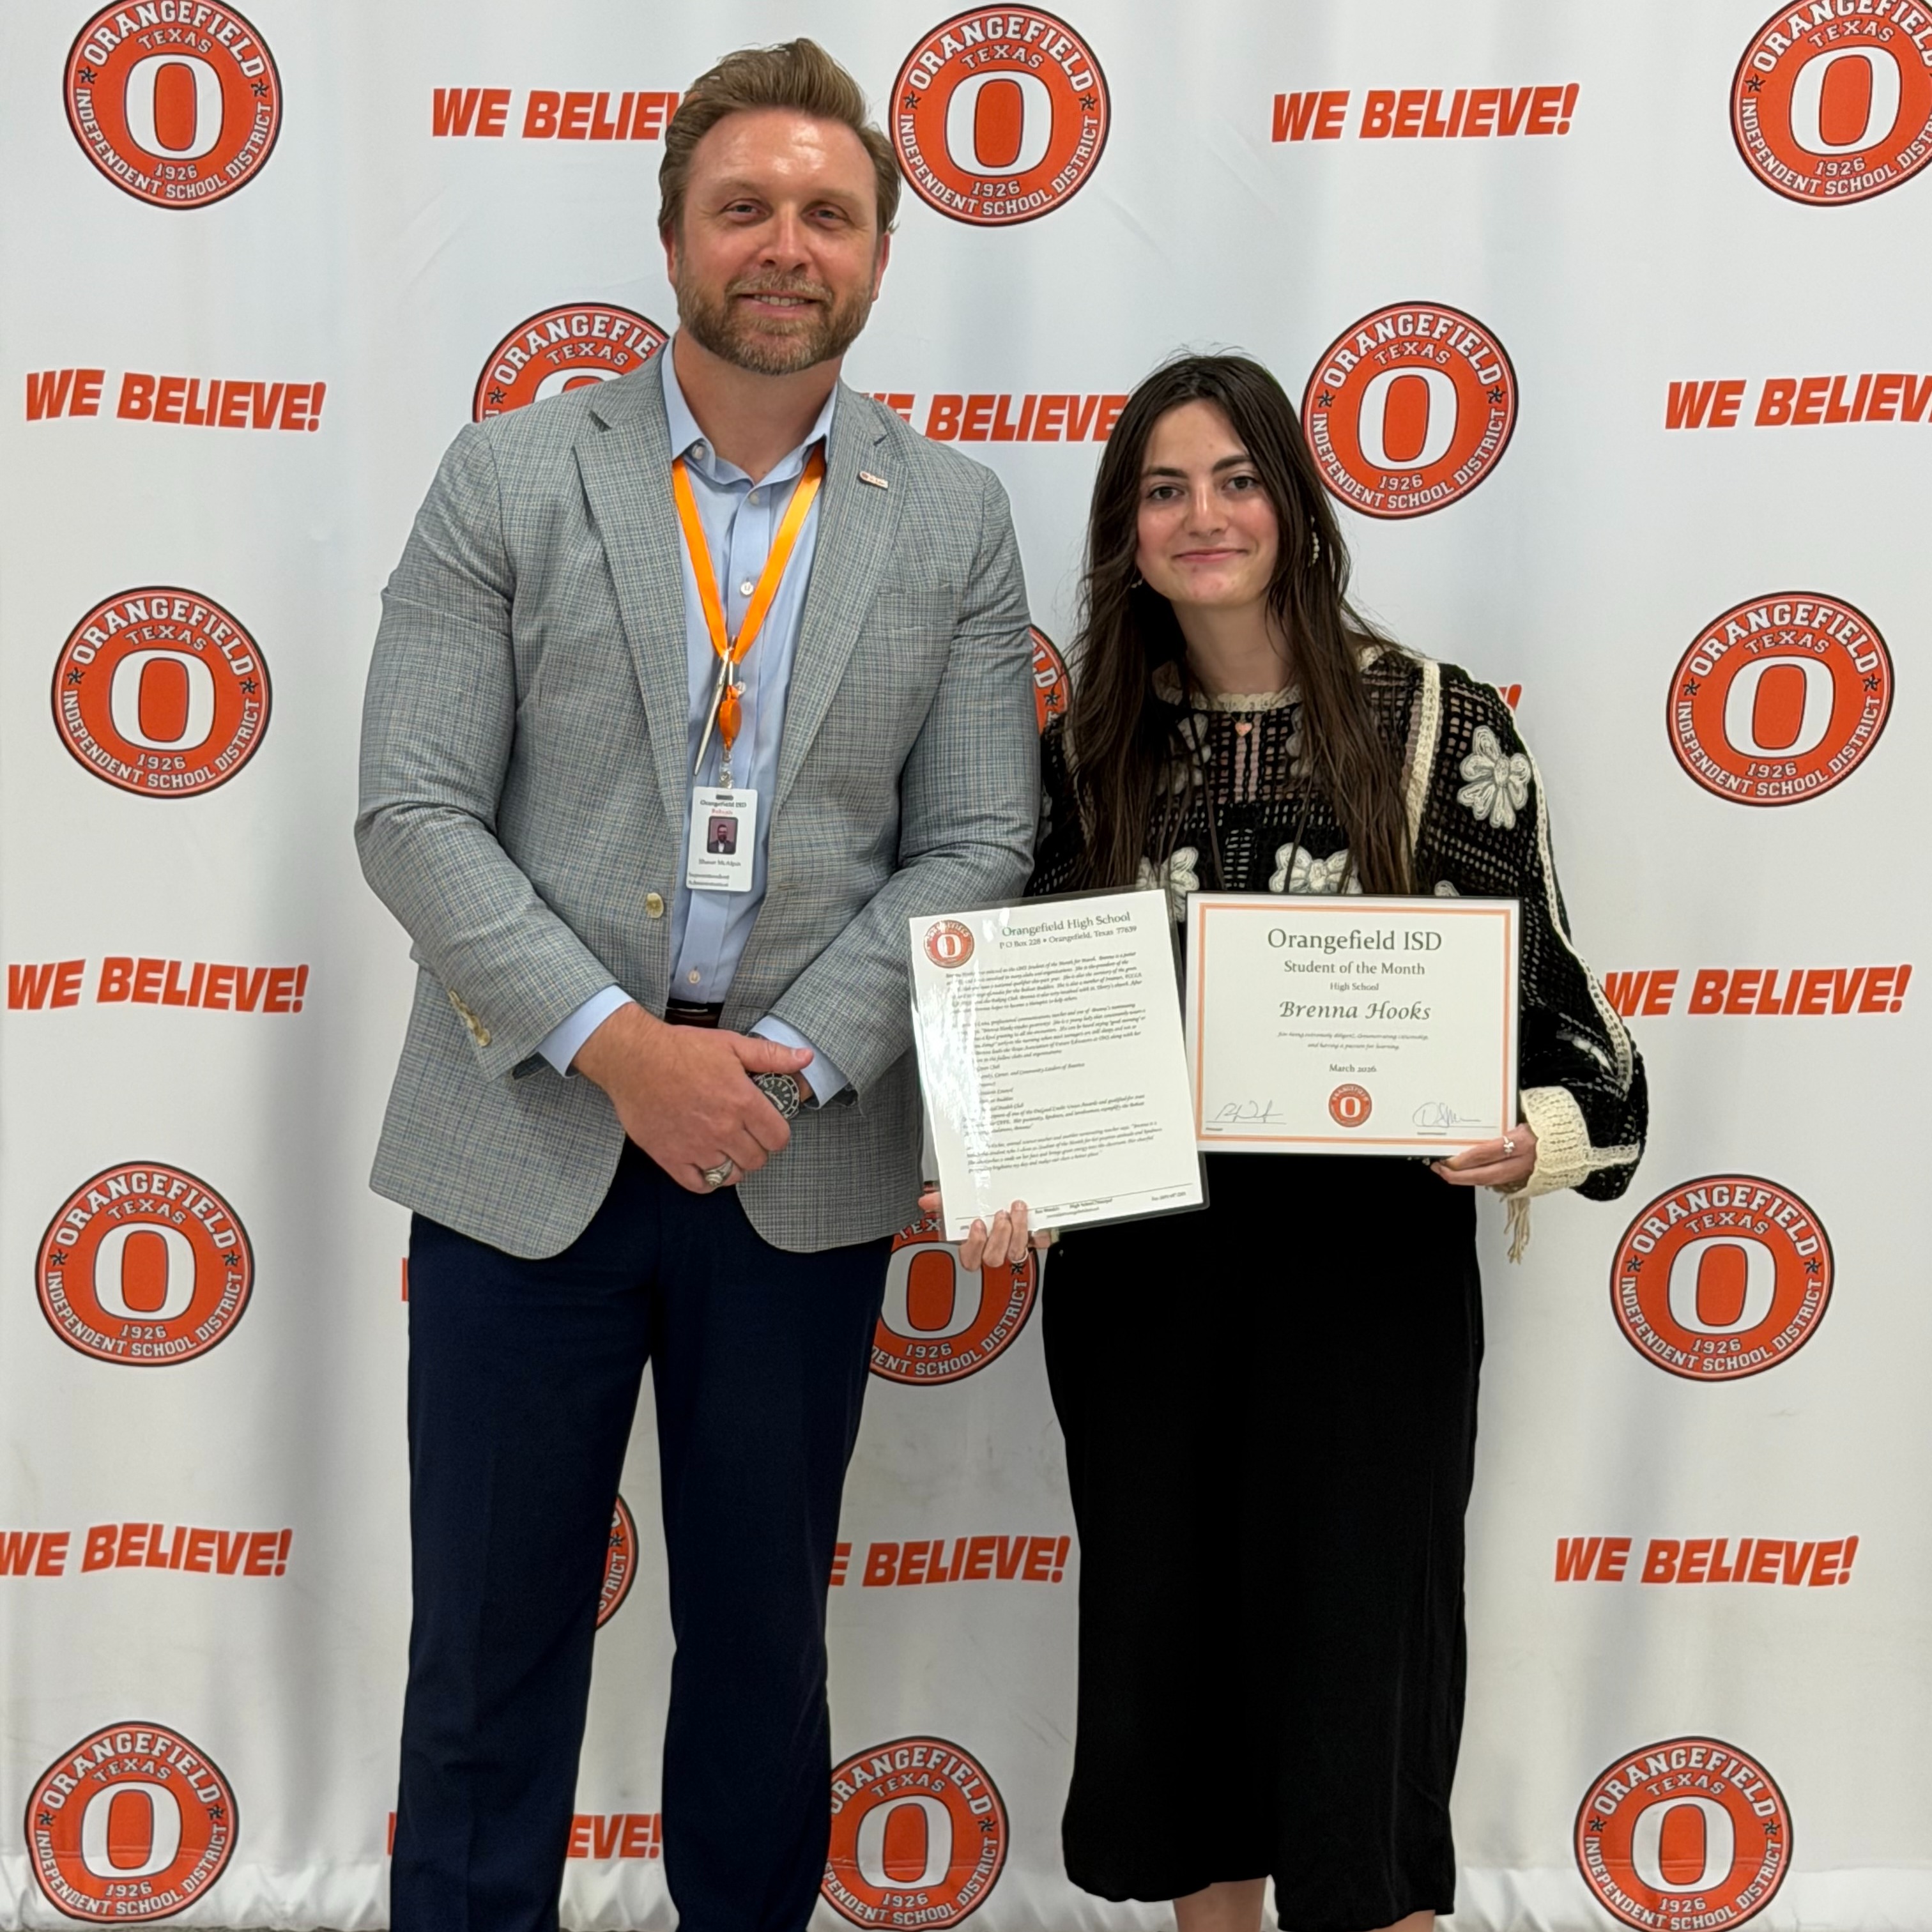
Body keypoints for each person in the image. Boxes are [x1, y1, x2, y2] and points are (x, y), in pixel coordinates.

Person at [355, 40, 1038, 1932]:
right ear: (672, 234)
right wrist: (623, 1050)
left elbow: (981, 839)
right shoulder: (508, 475)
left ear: (882, 255)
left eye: (829, 212)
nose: (785, 244)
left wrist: (789, 1062)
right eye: (745, 205)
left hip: (793, 1173)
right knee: (486, 1658)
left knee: (761, 1659)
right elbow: (411, 809)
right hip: (524, 1153)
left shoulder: (953, 517)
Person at [946, 354, 1648, 1932]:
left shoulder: (1434, 718)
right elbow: (1029, 1014)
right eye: (1165, 488)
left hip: (1368, 1294)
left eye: (1239, 477)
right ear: (1128, 529)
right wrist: (1009, 1173)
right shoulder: (1083, 746)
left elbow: (1574, 1035)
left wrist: (1521, 1135)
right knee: (1177, 1677)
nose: (1207, 517)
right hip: (1144, 1291)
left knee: (1359, 1683)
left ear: (1298, 501)